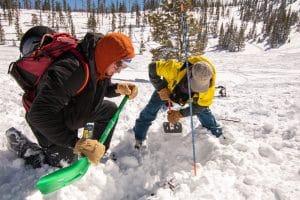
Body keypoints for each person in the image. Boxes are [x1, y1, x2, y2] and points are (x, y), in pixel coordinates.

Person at [6, 26, 138, 168]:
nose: (118, 71)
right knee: (63, 162)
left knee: (109, 111)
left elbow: (96, 86)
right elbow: (39, 115)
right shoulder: (71, 70)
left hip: (72, 109)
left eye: (122, 67)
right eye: (118, 65)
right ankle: (20, 143)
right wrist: (76, 142)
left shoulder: (98, 60)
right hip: (47, 119)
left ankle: (95, 152)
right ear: (108, 57)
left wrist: (116, 89)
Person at [133, 55, 222, 148]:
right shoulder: (173, 69)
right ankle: (138, 137)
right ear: (189, 73)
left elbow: (200, 106)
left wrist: (180, 114)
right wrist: (160, 88)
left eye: (200, 88)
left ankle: (215, 135)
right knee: (150, 110)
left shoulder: (208, 88)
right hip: (169, 87)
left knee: (204, 112)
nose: (195, 89)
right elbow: (152, 67)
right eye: (194, 86)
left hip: (193, 98)